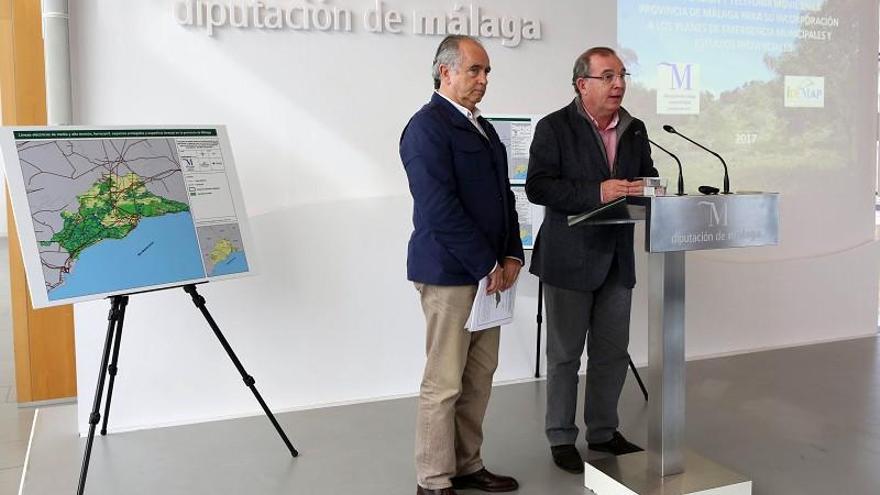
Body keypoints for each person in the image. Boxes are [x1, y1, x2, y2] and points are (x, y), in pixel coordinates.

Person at [400, 34, 524, 495]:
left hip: (490, 274)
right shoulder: (426, 128)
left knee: (477, 379)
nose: (483, 80)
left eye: (487, 71)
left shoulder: (484, 129)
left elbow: (504, 198)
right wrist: (484, 263)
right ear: (445, 71)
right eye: (475, 70)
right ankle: (433, 481)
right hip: (451, 276)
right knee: (444, 382)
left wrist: (512, 253)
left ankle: (468, 465)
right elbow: (438, 209)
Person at [525, 46, 657, 474]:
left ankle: (603, 431)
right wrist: (597, 191)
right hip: (569, 259)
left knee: (612, 352)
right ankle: (561, 437)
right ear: (583, 84)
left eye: (622, 76)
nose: (618, 84)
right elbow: (539, 187)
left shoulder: (635, 129)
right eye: (608, 76)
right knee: (564, 355)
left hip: (617, 260)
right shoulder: (554, 127)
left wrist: (646, 188)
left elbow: (650, 178)